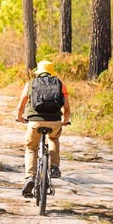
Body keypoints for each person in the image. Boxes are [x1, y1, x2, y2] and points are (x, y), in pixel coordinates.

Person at [15, 60, 71, 198]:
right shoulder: (60, 84)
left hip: (34, 122)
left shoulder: (31, 84)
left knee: (31, 148)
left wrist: (20, 117)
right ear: (51, 71)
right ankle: (54, 167)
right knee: (53, 138)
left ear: (38, 71)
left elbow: (21, 104)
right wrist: (64, 120)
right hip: (54, 122)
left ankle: (30, 177)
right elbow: (67, 108)